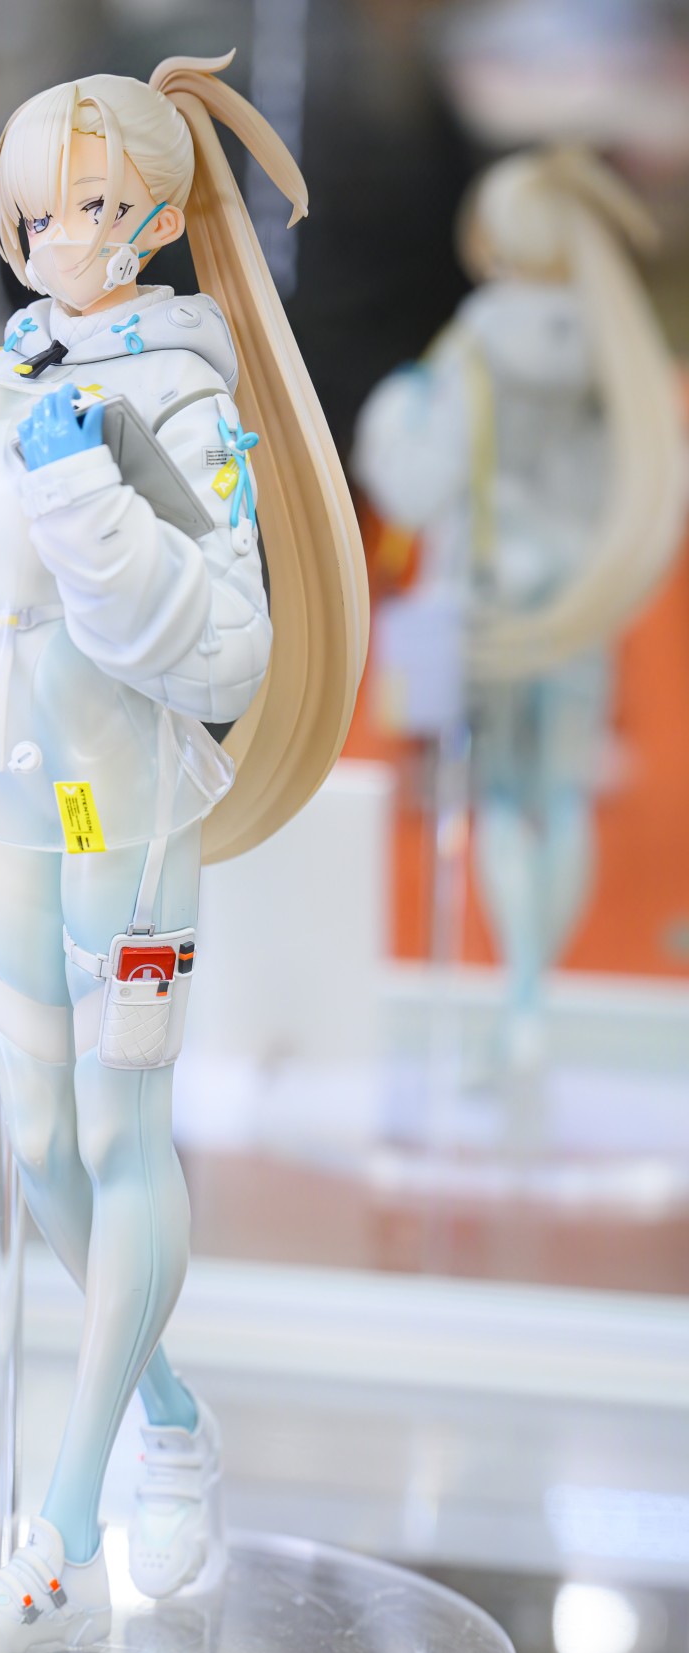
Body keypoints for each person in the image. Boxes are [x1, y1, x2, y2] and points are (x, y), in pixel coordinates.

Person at [0, 51, 366, 1653]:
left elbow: (226, 643)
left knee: (118, 1134)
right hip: (0, 801)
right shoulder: (1, 370)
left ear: (161, 216)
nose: (62, 237)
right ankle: (167, 1417)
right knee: (38, 1136)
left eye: (96, 205)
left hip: (125, 815)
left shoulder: (181, 394)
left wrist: (87, 507)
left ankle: (56, 1534)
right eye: (36, 211)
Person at [353, 148, 683, 1088]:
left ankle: (518, 1005)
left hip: (490, 598)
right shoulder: (620, 348)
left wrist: (395, 418)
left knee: (498, 798)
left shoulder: (478, 343)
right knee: (563, 796)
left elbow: (417, 484)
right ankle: (535, 997)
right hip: (581, 603)